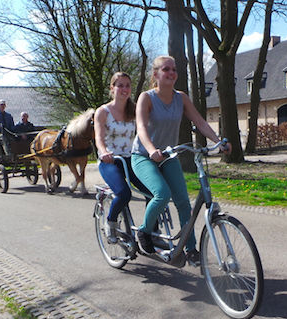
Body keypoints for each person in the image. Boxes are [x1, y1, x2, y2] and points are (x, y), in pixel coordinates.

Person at [132, 55, 230, 265]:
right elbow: (140, 128)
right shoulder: (146, 98)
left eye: (174, 69)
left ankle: (191, 249)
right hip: (143, 156)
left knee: (184, 202)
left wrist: (218, 141)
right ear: (156, 74)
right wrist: (151, 150)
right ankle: (144, 231)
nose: (171, 73)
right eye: (166, 69)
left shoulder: (181, 98)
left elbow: (200, 122)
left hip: (168, 156)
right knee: (162, 194)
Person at [95, 72, 150, 243]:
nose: (124, 89)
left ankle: (149, 230)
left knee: (152, 191)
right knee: (124, 193)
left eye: (127, 85)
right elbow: (99, 137)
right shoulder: (103, 112)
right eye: (120, 85)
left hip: (131, 159)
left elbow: (145, 131)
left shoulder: (134, 111)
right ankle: (111, 222)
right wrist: (104, 152)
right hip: (110, 161)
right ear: (112, 88)